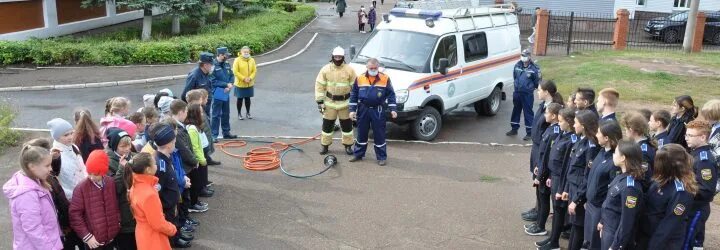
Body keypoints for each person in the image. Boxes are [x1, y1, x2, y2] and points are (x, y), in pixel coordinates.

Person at [25, 138, 83, 249]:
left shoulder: (44, 175)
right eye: (47, 164)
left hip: (64, 224)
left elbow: (54, 171)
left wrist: (56, 159)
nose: (50, 167)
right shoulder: (35, 187)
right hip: (59, 229)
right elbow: (35, 227)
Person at [3, 143, 63, 250]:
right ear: (32, 166)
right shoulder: (27, 194)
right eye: (47, 165)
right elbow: (33, 229)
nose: (50, 169)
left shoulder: (35, 180)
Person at [636, 144, 696, 250]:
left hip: (663, 242)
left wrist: (653, 246)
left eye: (658, 161)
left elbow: (669, 225)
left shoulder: (681, 192)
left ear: (667, 165)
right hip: (647, 234)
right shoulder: (661, 180)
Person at [536, 108, 576, 250]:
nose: (559, 124)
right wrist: (550, 176)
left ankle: (554, 243)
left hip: (561, 179)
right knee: (556, 209)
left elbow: (566, 164)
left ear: (569, 122)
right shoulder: (562, 134)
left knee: (559, 211)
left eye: (561, 121)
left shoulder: (572, 139)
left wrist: (561, 185)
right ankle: (552, 238)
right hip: (555, 177)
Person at [522, 80, 563, 222]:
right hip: (537, 147)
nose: (537, 92)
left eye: (539, 90)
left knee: (541, 180)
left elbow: (550, 136)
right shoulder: (543, 106)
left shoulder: (553, 110)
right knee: (536, 178)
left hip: (543, 149)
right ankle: (537, 207)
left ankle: (540, 211)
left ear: (546, 92)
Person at [148, 123, 192, 248]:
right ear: (168, 145)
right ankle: (173, 242)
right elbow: (158, 190)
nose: (175, 143)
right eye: (174, 141)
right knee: (170, 226)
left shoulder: (167, 157)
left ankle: (177, 237)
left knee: (175, 222)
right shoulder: (160, 166)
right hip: (166, 206)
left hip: (172, 202)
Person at [348, 58, 397, 166]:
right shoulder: (359, 78)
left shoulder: (385, 78)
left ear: (378, 67)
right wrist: (352, 110)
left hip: (378, 110)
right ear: (367, 67)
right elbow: (354, 95)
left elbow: (391, 94)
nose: (373, 70)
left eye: (375, 68)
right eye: (371, 68)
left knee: (379, 134)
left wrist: (393, 109)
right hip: (363, 109)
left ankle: (381, 157)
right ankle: (358, 154)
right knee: (361, 133)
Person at [562, 110, 600, 250]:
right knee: (574, 226)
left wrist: (577, 199)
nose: (573, 125)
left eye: (576, 123)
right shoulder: (581, 140)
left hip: (580, 192)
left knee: (578, 227)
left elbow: (587, 176)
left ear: (583, 126)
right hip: (573, 188)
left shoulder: (591, 146)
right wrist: (567, 189)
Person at [69, 150, 120, 249]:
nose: (92, 177)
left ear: (104, 171)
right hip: (93, 241)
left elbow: (115, 205)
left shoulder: (111, 183)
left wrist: (117, 222)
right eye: (89, 173)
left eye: (95, 174)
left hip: (110, 238)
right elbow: (75, 215)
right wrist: (87, 237)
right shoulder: (81, 188)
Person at [598, 140, 644, 250]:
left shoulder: (630, 188)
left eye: (616, 152)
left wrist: (616, 246)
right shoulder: (621, 176)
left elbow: (627, 221)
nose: (613, 155)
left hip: (615, 235)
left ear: (623, 158)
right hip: (608, 228)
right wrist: (602, 221)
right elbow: (610, 203)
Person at [126, 152, 178, 250]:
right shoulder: (149, 194)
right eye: (154, 163)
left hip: (143, 234)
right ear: (148, 170)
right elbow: (157, 223)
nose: (156, 165)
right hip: (154, 238)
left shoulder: (135, 185)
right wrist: (172, 229)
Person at [584, 121, 622, 250]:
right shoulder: (601, 152)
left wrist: (603, 218)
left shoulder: (614, 162)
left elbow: (611, 192)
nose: (596, 135)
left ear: (607, 138)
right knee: (589, 241)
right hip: (591, 204)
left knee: (595, 244)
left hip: (600, 209)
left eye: (599, 133)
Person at [315, 46, 357, 155]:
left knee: (347, 126)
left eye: (340, 57)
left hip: (345, 103)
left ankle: (348, 146)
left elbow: (356, 88)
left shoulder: (349, 70)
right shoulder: (325, 69)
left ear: (343, 57)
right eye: (336, 57)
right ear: (332, 57)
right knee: (327, 126)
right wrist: (320, 102)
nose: (338, 59)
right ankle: (325, 146)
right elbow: (319, 86)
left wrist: (355, 104)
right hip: (329, 104)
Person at [683, 120, 717, 250]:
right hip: (693, 206)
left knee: (687, 242)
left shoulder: (704, 160)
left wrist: (684, 192)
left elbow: (706, 190)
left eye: (690, 135)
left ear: (703, 137)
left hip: (696, 209)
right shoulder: (695, 152)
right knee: (696, 242)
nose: (686, 138)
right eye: (686, 135)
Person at [106, 128, 138, 250]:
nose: (126, 149)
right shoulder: (109, 162)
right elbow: (115, 188)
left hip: (136, 208)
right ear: (114, 147)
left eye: (128, 145)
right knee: (127, 243)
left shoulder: (134, 156)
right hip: (123, 212)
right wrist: (121, 168)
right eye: (122, 146)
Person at [48, 118, 88, 199]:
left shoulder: (73, 146)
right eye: (66, 135)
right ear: (56, 137)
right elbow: (55, 179)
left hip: (84, 190)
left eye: (71, 133)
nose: (70, 137)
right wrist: (71, 195)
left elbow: (82, 167)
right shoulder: (55, 155)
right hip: (71, 197)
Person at [507, 49, 541, 141]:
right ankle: (514, 129)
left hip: (527, 94)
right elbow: (515, 76)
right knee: (516, 110)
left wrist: (529, 88)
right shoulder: (517, 65)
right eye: (522, 55)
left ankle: (529, 133)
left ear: (529, 56)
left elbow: (537, 82)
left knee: (528, 112)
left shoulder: (534, 68)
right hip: (517, 92)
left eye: (525, 55)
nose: (523, 57)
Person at [185, 103, 212, 213]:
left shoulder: (196, 127)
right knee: (195, 183)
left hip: (199, 158)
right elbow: (195, 147)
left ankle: (196, 201)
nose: (202, 114)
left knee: (198, 181)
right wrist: (201, 160)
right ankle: (193, 204)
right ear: (195, 114)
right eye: (200, 112)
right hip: (197, 160)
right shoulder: (192, 129)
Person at [622, 112, 656, 190]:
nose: (625, 132)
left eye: (625, 129)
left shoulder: (642, 151)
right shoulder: (641, 144)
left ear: (631, 130)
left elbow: (645, 178)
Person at [209, 47, 237, 141]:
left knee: (226, 113)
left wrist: (230, 84)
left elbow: (232, 75)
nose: (227, 57)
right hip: (217, 92)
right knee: (216, 114)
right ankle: (214, 135)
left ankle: (226, 132)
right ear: (220, 55)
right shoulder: (213, 65)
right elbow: (212, 80)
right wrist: (225, 85)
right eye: (225, 55)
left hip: (226, 92)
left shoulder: (227, 64)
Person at [181, 52, 215, 116]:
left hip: (206, 108)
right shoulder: (194, 76)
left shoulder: (207, 73)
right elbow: (184, 96)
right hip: (198, 112)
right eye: (211, 64)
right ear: (205, 65)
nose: (213, 66)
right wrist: (193, 110)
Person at [232, 46, 257, 121]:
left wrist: (250, 78)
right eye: (244, 52)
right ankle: (239, 113)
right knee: (240, 99)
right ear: (241, 52)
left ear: (249, 52)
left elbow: (254, 70)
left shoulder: (252, 60)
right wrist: (243, 78)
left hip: (249, 83)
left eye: (247, 52)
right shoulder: (237, 60)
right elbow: (235, 71)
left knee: (248, 99)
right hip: (240, 83)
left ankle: (248, 112)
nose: (246, 53)